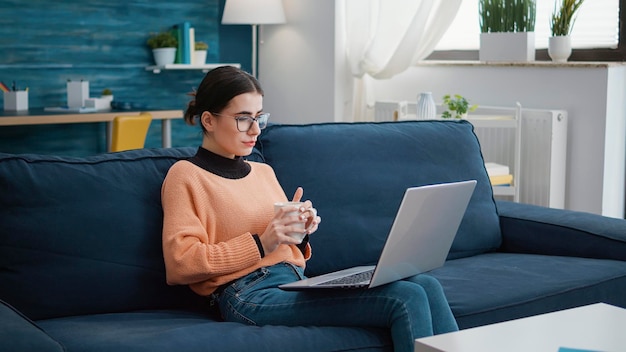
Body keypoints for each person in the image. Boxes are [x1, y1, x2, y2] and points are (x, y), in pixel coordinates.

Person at [161, 66, 458, 352]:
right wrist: (262, 243)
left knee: (425, 284)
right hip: (248, 294)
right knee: (405, 297)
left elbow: (281, 243)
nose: (255, 129)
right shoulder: (186, 175)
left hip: (295, 282)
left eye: (259, 117)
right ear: (209, 121)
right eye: (242, 118)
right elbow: (181, 264)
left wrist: (298, 232)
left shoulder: (262, 171)